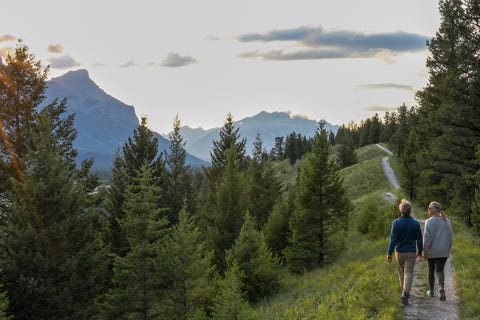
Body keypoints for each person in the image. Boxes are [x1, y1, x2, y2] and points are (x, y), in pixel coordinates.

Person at [387, 199, 423, 305]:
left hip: (399, 252)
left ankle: (403, 292)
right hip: (411, 252)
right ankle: (406, 293)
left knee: (401, 273)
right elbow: (419, 239)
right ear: (410, 211)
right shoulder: (415, 224)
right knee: (409, 272)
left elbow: (393, 240)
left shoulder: (396, 223)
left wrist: (389, 253)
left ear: (401, 211)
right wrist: (419, 251)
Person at [423, 201, 453, 301]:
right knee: (440, 270)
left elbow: (427, 239)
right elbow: (450, 237)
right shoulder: (446, 221)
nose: (428, 209)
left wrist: (425, 251)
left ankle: (431, 292)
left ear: (433, 210)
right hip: (444, 250)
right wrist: (448, 249)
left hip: (432, 250)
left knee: (431, 270)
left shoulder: (429, 222)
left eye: (429, 207)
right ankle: (441, 287)